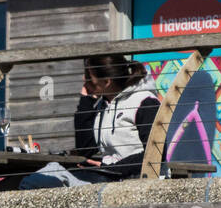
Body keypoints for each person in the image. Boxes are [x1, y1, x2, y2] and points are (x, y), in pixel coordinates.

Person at [20, 55, 161, 188]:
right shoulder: (104, 105)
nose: (84, 79)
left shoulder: (145, 103)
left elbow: (156, 152)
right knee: (46, 176)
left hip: (133, 180)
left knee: (44, 178)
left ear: (107, 82)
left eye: (89, 77)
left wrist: (108, 168)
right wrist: (86, 99)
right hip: (108, 177)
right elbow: (85, 149)